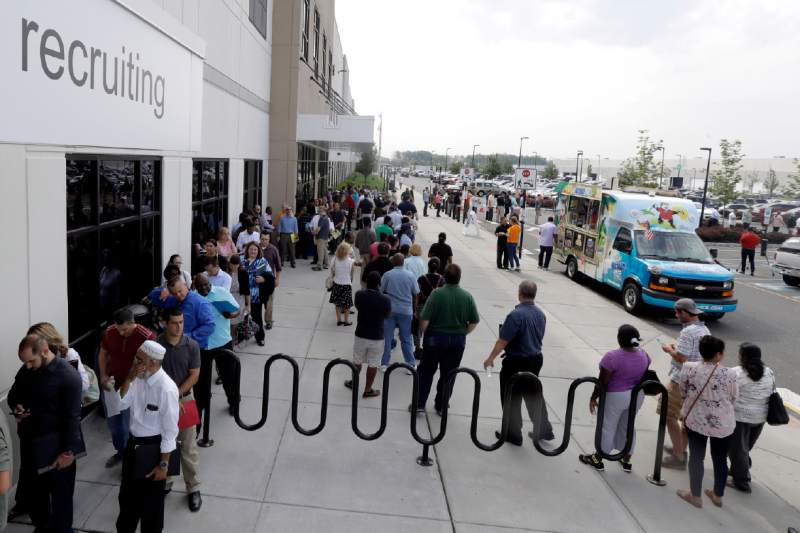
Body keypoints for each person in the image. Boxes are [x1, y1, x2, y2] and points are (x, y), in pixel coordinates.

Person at [10, 334, 82, 532]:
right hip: (31, 445)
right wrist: (17, 408)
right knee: (36, 497)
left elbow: (72, 418)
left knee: (61, 500)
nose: (28, 366)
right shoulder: (27, 370)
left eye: (31, 361)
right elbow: (14, 395)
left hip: (57, 449)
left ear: (44, 351)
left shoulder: (68, 377)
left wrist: (68, 451)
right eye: (25, 362)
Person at [114, 340, 179, 533]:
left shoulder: (167, 388)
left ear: (153, 363)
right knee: (127, 502)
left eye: (139, 360)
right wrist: (129, 378)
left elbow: (170, 431)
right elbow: (120, 404)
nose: (135, 363)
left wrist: (163, 465)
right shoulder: (138, 378)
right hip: (133, 447)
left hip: (153, 451)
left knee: (151, 511)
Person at [483, 281, 554, 445]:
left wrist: (491, 358)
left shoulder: (515, 315)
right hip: (535, 359)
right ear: (534, 294)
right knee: (533, 394)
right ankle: (543, 429)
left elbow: (503, 341)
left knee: (511, 396)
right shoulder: (541, 314)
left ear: (520, 293)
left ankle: (513, 433)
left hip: (516, 362)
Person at [676, 335, 738, 509]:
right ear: (718, 354)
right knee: (720, 459)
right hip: (723, 424)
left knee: (696, 457)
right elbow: (734, 397)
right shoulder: (730, 373)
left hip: (696, 420)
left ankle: (695, 495)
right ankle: (717, 495)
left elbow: (682, 390)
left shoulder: (689, 367)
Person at [579, 325, 650, 472]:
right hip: (637, 395)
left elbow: (602, 382)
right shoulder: (644, 354)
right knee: (628, 425)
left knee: (607, 426)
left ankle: (598, 459)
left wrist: (593, 397)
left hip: (616, 396)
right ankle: (626, 459)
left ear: (619, 339)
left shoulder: (612, 357)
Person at [414, 264, 480, 414]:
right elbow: (474, 321)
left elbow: (424, 319)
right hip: (457, 340)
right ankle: (441, 406)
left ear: (444, 277)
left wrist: (425, 332)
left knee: (426, 371)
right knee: (449, 374)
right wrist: (463, 333)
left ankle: (419, 404)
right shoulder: (467, 296)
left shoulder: (436, 294)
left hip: (435, 337)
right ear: (459, 278)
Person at [98, 308, 156, 468]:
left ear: (133, 323)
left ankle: (131, 459)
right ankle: (121, 452)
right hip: (112, 385)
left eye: (124, 329)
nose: (121, 333)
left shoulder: (147, 337)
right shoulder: (110, 332)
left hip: (132, 388)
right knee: (114, 425)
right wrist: (102, 375)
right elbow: (103, 353)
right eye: (118, 329)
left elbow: (154, 364)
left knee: (129, 426)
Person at [157, 308, 203, 511]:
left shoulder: (191, 345)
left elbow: (195, 375)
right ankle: (166, 482)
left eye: (181, 322)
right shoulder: (156, 345)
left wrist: (175, 395)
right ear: (165, 323)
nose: (179, 327)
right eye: (174, 323)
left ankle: (193, 488)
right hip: (161, 403)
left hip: (185, 400)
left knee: (188, 447)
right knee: (164, 444)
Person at [660, 298, 711, 469]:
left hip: (681, 381)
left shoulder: (688, 332)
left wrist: (669, 349)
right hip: (697, 382)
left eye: (678, 312)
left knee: (668, 414)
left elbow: (682, 357)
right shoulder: (704, 330)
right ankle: (680, 448)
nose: (676, 315)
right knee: (687, 420)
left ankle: (678, 456)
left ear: (685, 313)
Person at [192, 275, 241, 417]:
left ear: (209, 283)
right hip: (202, 345)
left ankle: (234, 402)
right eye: (200, 287)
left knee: (229, 376)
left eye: (206, 285)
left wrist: (231, 315)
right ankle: (201, 405)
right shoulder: (193, 297)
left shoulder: (221, 292)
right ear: (195, 287)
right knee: (201, 380)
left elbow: (237, 310)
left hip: (222, 342)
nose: (204, 288)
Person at [728, 343, 775, 493]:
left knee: (738, 450)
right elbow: (772, 390)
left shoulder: (736, 372)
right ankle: (738, 469)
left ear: (742, 356)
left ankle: (742, 481)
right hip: (760, 418)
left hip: (740, 417)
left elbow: (727, 393)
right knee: (745, 448)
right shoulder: (769, 372)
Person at [149, 278, 215, 351]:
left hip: (192, 348)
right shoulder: (174, 298)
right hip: (174, 345)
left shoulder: (200, 303)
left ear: (186, 285)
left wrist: (188, 337)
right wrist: (164, 290)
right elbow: (152, 296)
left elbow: (210, 326)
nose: (178, 295)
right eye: (174, 293)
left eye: (180, 291)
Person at [380, 254, 420, 370]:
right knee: (406, 338)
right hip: (406, 311)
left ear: (393, 262)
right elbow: (416, 294)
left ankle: (384, 363)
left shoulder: (387, 275)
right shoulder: (411, 275)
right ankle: (410, 363)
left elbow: (381, 291)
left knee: (387, 338)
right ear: (403, 262)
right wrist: (414, 309)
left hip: (390, 310)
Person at [240, 242, 275, 346]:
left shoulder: (262, 261)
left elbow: (271, 275)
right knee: (242, 317)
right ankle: (241, 337)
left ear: (258, 251)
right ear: (247, 250)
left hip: (256, 295)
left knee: (256, 317)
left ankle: (260, 337)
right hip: (243, 294)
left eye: (255, 249)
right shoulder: (242, 261)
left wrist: (264, 279)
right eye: (251, 249)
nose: (253, 251)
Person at [259, 231, 282, 330]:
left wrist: (277, 279)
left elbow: (278, 267)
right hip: (257, 280)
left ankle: (268, 321)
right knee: (257, 303)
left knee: (268, 304)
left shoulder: (273, 249)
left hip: (269, 281)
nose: (264, 241)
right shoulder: (256, 248)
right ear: (260, 239)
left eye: (266, 239)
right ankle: (257, 322)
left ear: (269, 239)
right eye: (262, 239)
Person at [330, 242, 355, 326]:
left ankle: (339, 320)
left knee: (337, 303)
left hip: (336, 283)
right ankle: (346, 321)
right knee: (347, 305)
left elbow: (332, 269)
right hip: (346, 284)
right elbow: (351, 274)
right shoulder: (350, 261)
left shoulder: (334, 259)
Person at [227, 254, 250, 345]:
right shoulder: (226, 272)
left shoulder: (243, 273)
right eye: (232, 265)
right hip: (228, 299)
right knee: (228, 321)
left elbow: (247, 290)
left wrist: (248, 305)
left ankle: (233, 338)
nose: (233, 267)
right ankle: (230, 339)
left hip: (239, 299)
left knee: (235, 322)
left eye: (236, 265)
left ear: (239, 264)